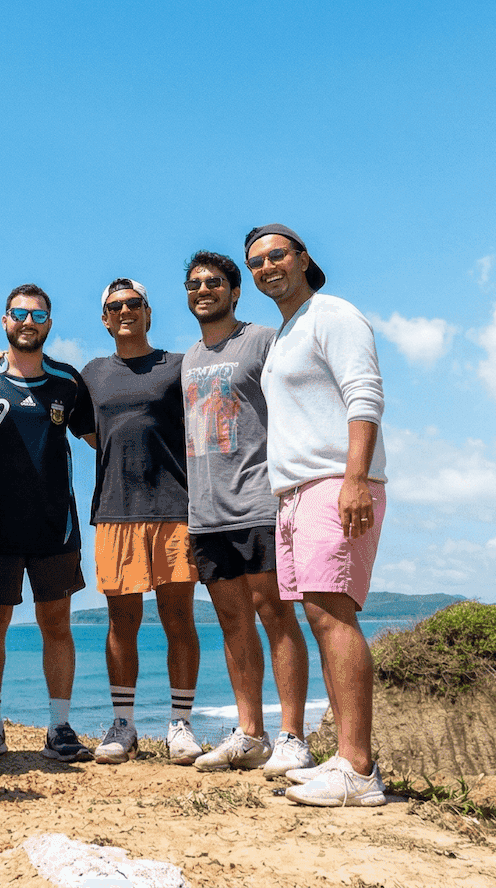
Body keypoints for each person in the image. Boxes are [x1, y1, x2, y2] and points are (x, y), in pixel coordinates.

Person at [242, 223, 390, 808]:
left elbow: (365, 394)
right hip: (297, 493)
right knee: (318, 618)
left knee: (334, 617)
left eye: (277, 255)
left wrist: (354, 479)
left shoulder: (333, 313)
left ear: (303, 258)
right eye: (256, 262)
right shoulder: (286, 332)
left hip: (335, 484)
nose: (266, 267)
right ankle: (344, 757)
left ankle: (358, 768)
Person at [177, 251, 315, 776]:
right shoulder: (189, 358)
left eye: (214, 282)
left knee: (275, 616)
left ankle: (293, 736)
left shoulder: (261, 340)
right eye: (193, 284)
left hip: (259, 500)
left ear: (235, 292)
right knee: (233, 623)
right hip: (207, 513)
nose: (203, 290)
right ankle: (250, 732)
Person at [0, 284, 98, 763]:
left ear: (49, 323)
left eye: (37, 314)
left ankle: (60, 727)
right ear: (3, 321)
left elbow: (102, 438)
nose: (28, 321)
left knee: (56, 625)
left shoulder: (68, 381)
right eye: (18, 313)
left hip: (55, 529)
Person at [77, 278, 205, 766]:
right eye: (115, 306)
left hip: (175, 510)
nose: (125, 311)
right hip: (115, 511)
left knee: (178, 619)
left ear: (148, 314)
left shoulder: (177, 367)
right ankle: (124, 724)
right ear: (105, 319)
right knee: (121, 622)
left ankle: (181, 724)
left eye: (134, 304)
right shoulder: (91, 374)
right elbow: (93, 434)